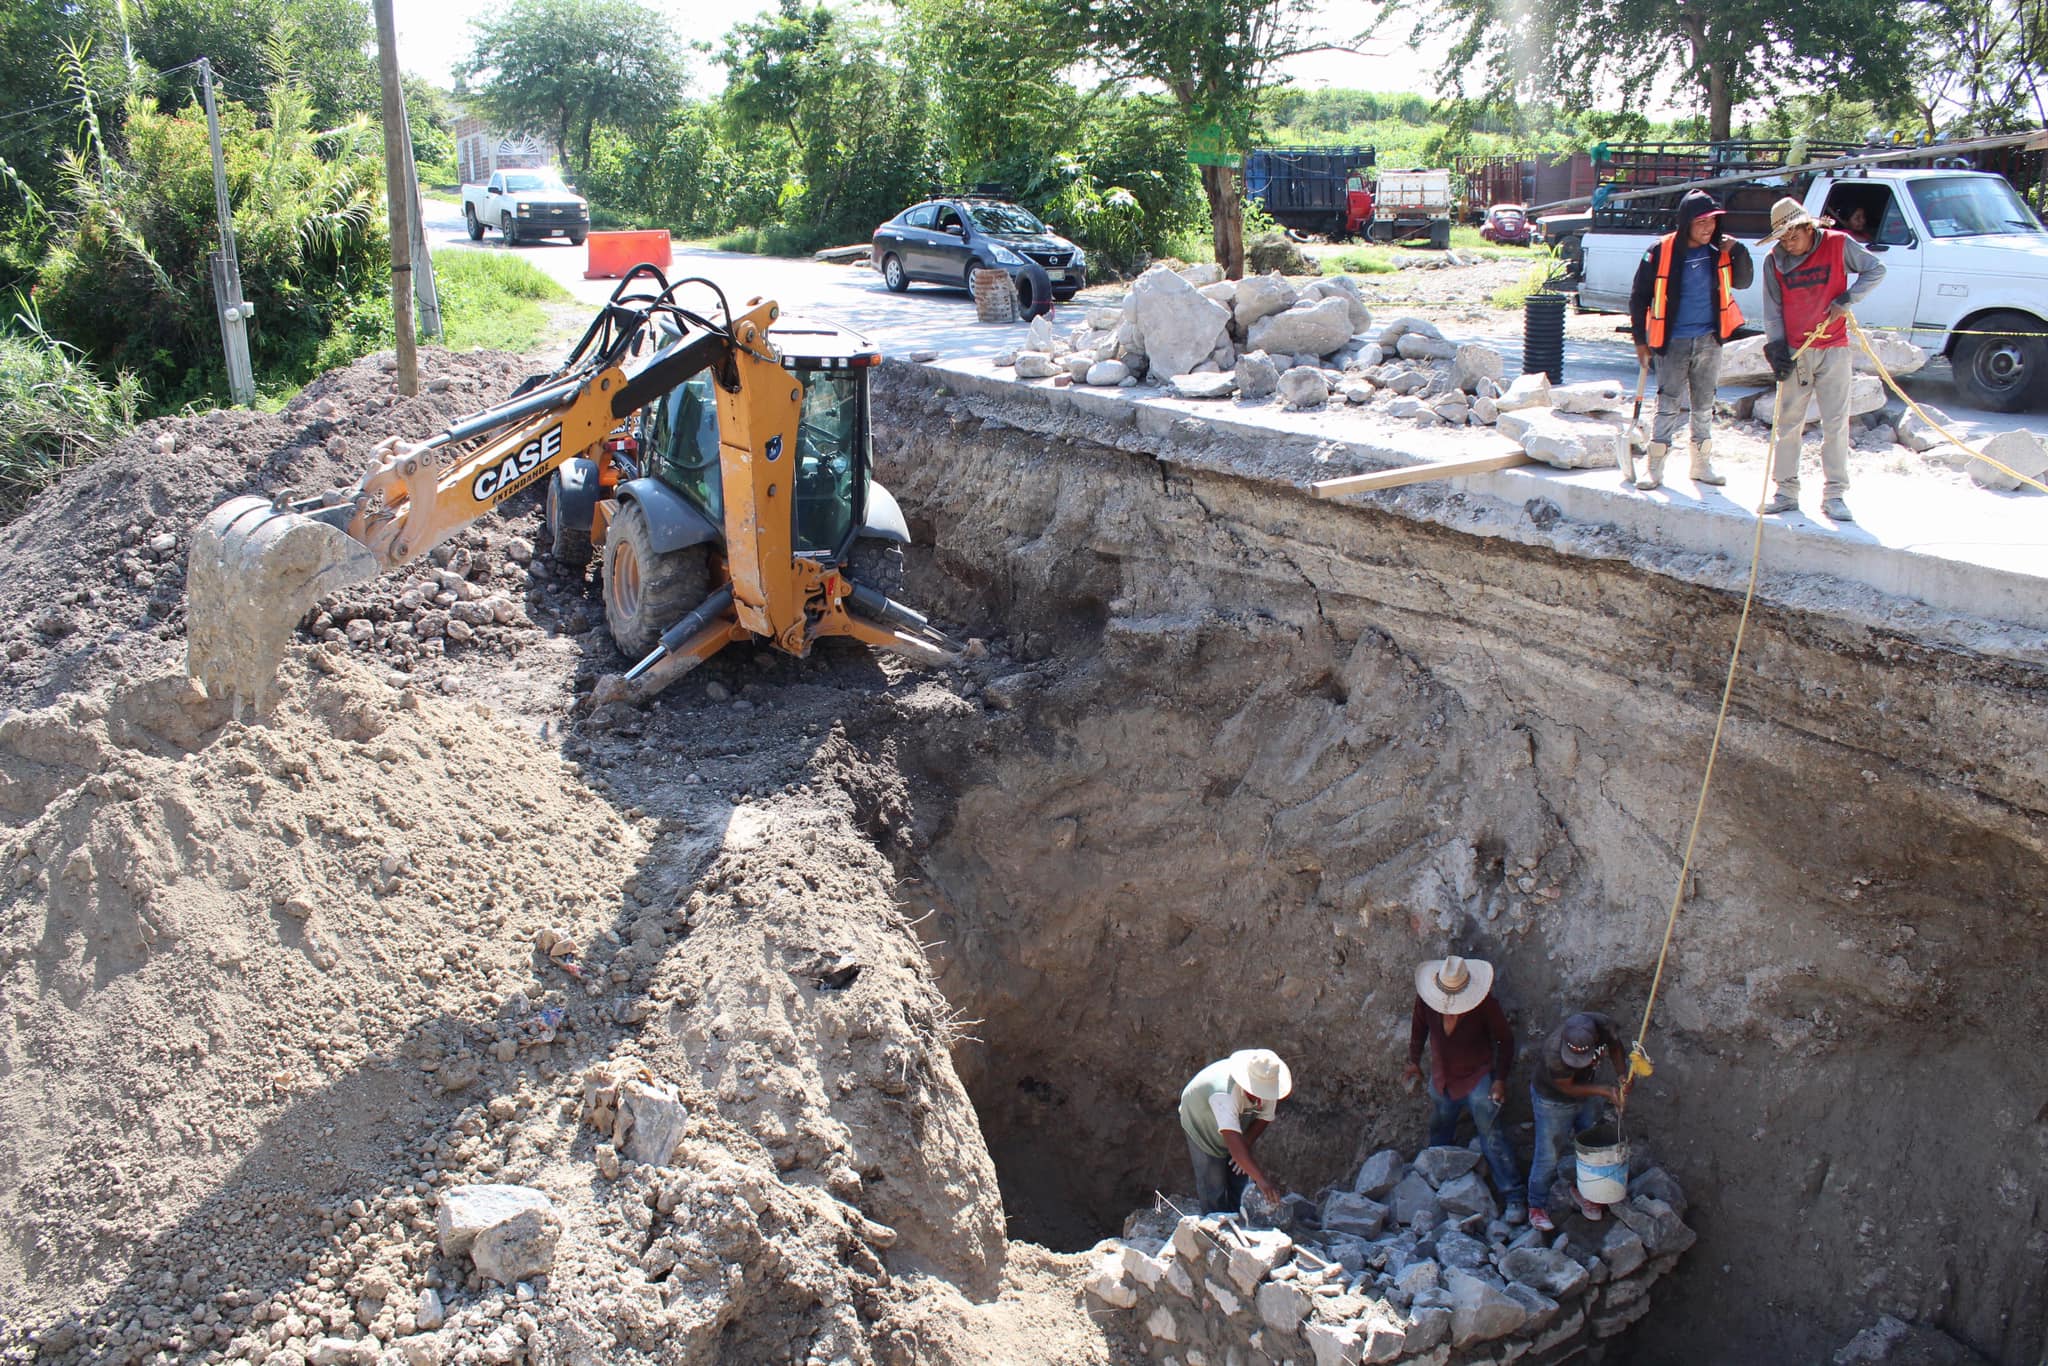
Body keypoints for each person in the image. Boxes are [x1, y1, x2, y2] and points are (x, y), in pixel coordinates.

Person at [1760, 195, 1887, 523]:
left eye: (1794, 235)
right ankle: (1785, 491)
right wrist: (1776, 348)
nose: (1790, 243)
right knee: (1788, 424)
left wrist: (1847, 299)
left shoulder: (1838, 244)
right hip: (1795, 351)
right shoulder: (1774, 261)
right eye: (1783, 238)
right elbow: (1772, 309)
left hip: (1833, 347)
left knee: (1835, 423)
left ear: (1808, 226)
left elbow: (1876, 269)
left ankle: (1835, 494)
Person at [1629, 189, 1754, 491]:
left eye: (1712, 221)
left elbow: (1744, 281)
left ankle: (1701, 465)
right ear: (1686, 222)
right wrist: (1640, 343)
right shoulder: (1661, 251)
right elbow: (1638, 297)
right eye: (1701, 222)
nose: (1708, 227)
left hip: (1710, 339)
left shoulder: (1718, 251)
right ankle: (1654, 468)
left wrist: (1738, 250)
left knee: (1704, 403)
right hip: (1673, 341)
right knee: (1668, 403)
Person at [1405, 955, 1525, 1224]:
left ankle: (1514, 1196)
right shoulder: (1426, 1000)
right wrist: (1413, 1060)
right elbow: (1418, 1028)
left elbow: (1505, 1040)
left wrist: (1500, 1079)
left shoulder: (1484, 1004)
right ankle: (1434, 1188)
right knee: (1440, 1129)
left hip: (1477, 1079)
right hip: (1442, 1079)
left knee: (1491, 1136)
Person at [1526, 1011, 1628, 1232]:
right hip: (1552, 1102)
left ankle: (1583, 1190)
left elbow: (1616, 1047)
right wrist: (1604, 1091)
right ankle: (1536, 1205)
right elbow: (1567, 1087)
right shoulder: (1553, 1052)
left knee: (1588, 1146)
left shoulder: (1604, 1026)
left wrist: (1621, 1076)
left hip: (1588, 1093)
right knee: (1548, 1154)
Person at [1179, 1049, 1292, 1214]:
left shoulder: (1269, 1085)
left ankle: (1238, 1216)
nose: (1262, 1097)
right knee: (1213, 1181)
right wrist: (1262, 1181)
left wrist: (1245, 1143)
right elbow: (1233, 1143)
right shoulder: (1224, 1093)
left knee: (1240, 1174)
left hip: (1234, 1117)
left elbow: (1264, 1117)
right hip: (1201, 1119)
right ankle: (1214, 1225)